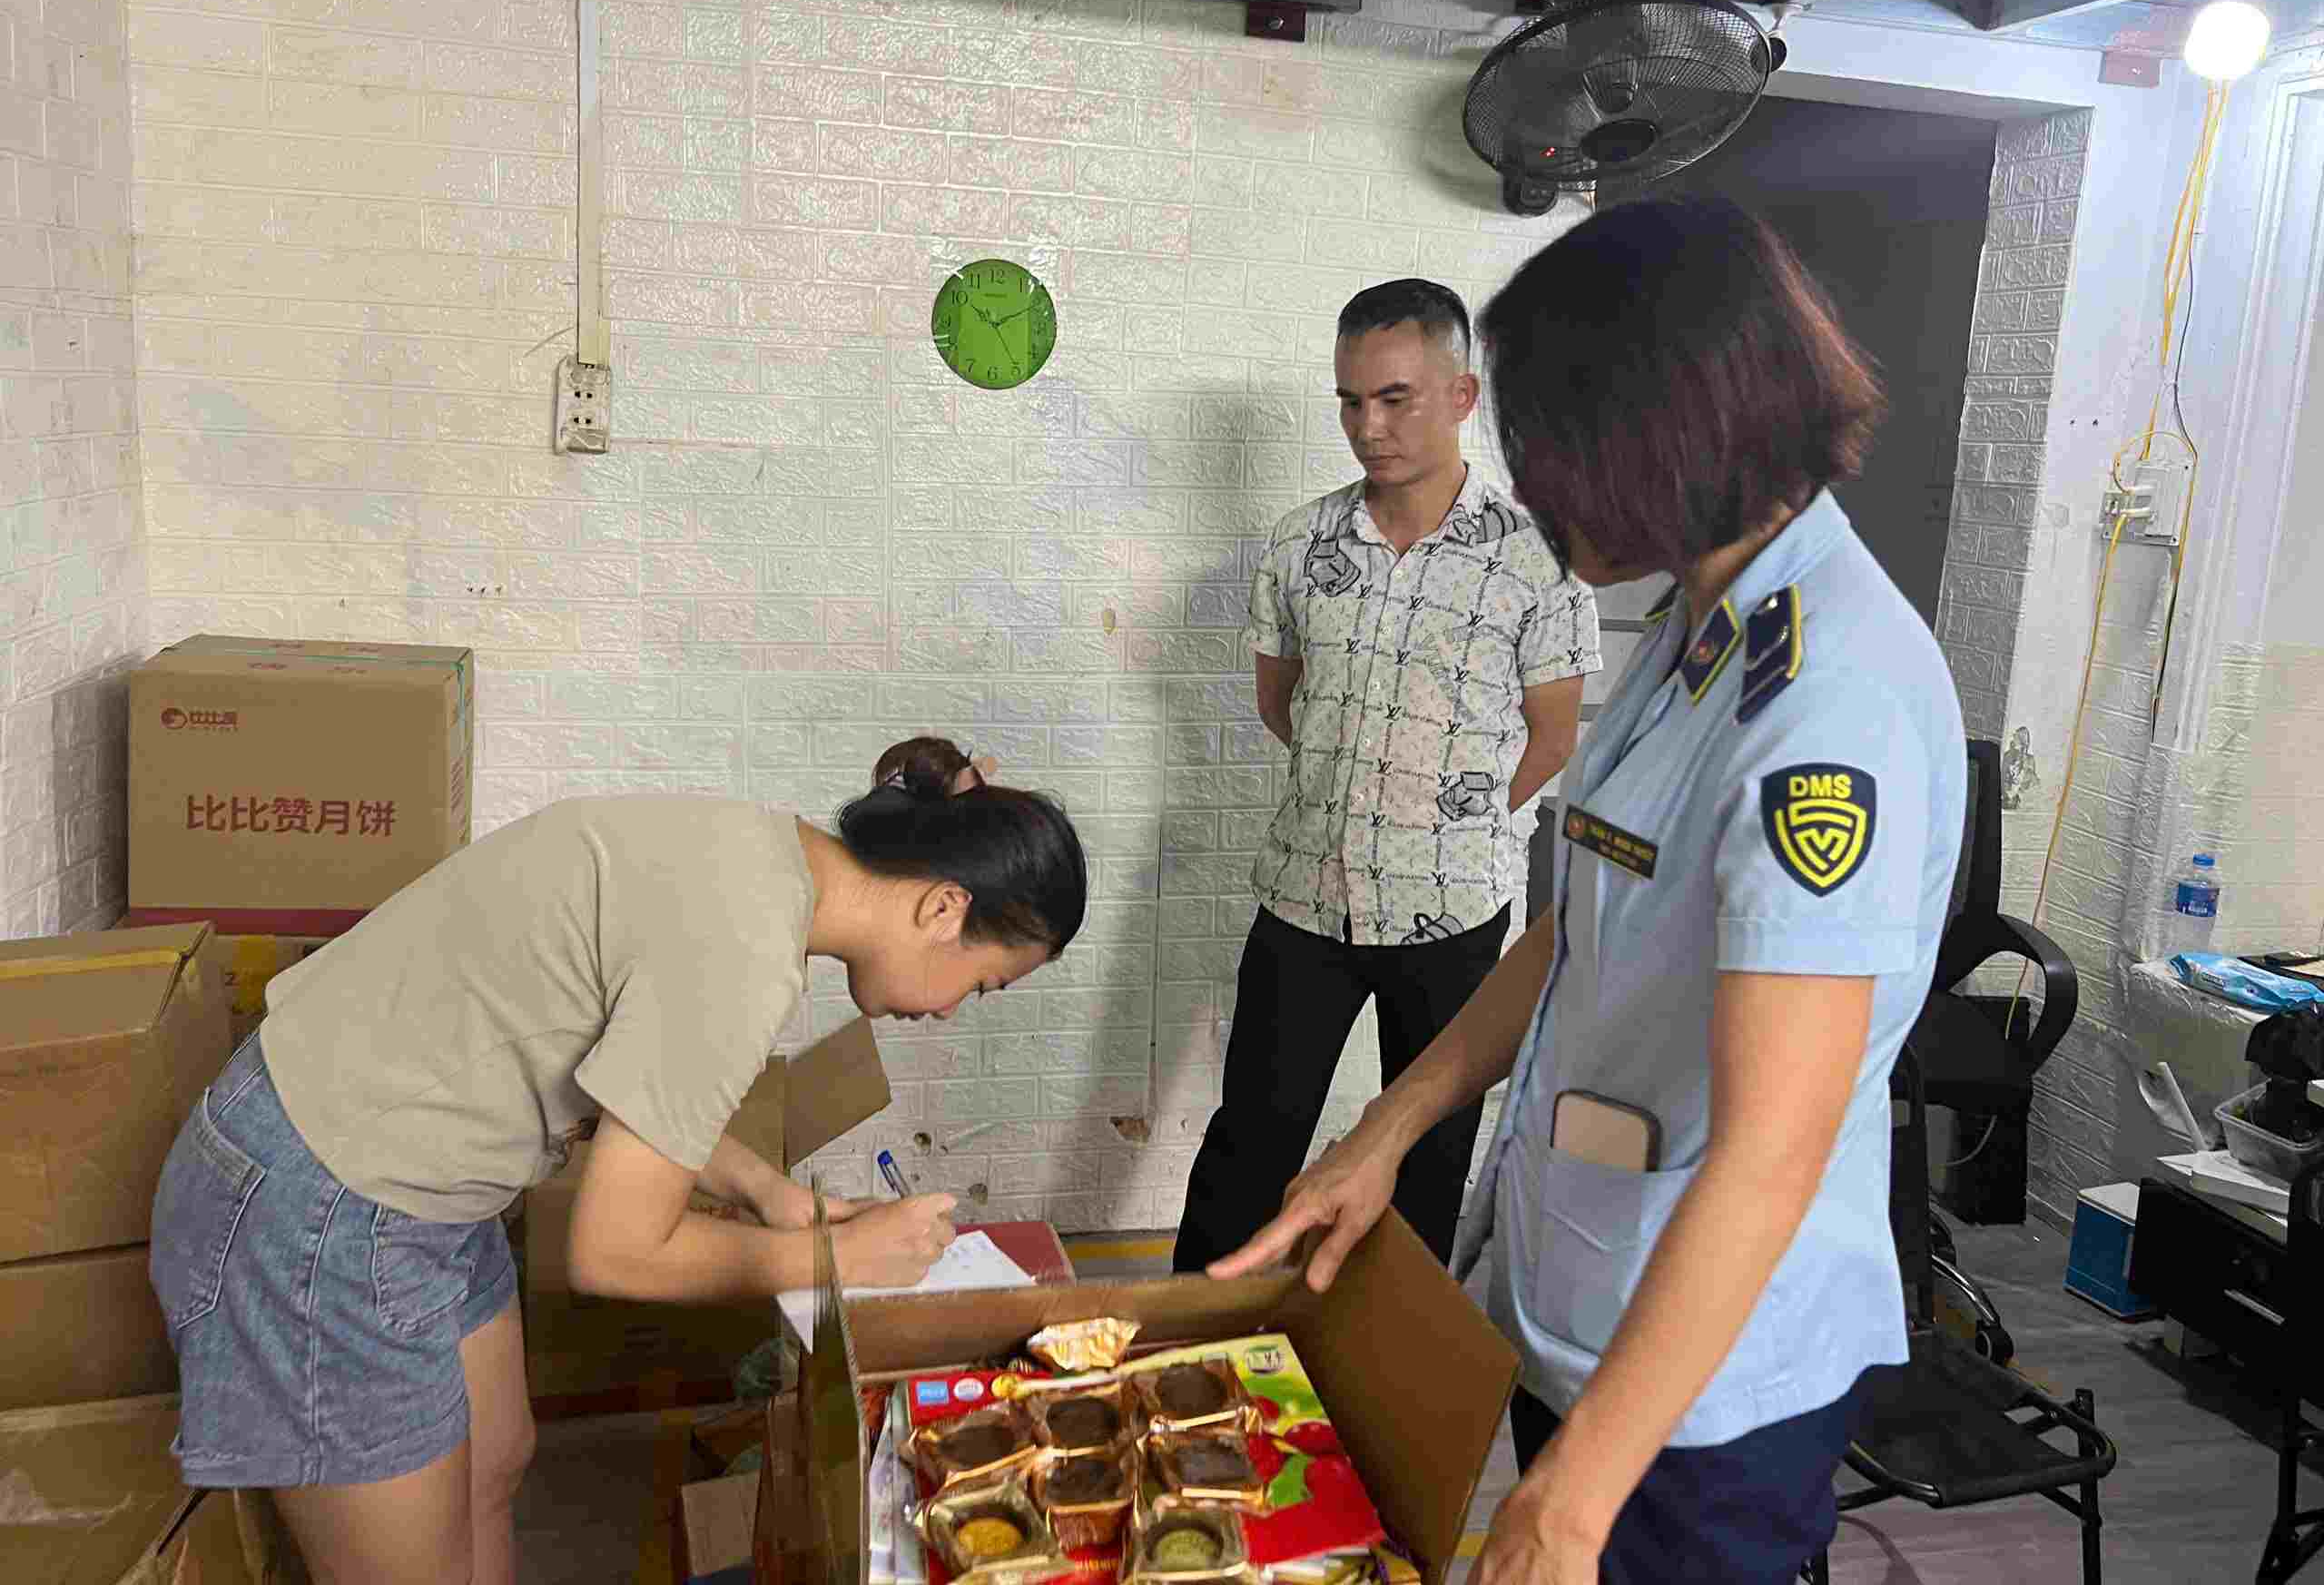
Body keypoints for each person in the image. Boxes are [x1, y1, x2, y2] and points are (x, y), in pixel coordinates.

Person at [1210, 199, 1967, 1585]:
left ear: (1664, 430)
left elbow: (1774, 1146)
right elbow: (1581, 927)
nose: (1536, 490)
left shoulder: (1828, 703)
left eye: (1552, 448)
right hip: (1594, 1294)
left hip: (1705, 1381)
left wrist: (1569, 1499)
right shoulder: (1699, 625)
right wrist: (1389, 1127)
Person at [148, 737, 1085, 1585]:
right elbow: (614, 1252)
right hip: (325, 1196)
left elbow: (617, 1052)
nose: (955, 1010)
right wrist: (837, 1261)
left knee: (495, 1459)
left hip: (419, 1178)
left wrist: (763, 1190)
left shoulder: (767, 860)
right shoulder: (745, 950)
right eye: (985, 981)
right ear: (941, 906)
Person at [1173, 278, 1600, 1275]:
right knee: (1253, 1134)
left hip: (1450, 908)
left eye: (1395, 397)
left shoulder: (1534, 560)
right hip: (1304, 896)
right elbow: (1285, 704)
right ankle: (1189, 1347)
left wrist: (1448, 820)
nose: (1369, 426)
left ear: (1460, 394)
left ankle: (1384, 1367)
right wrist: (1355, 790)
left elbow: (1553, 734)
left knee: (1428, 1149)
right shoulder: (1298, 543)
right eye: (1350, 401)